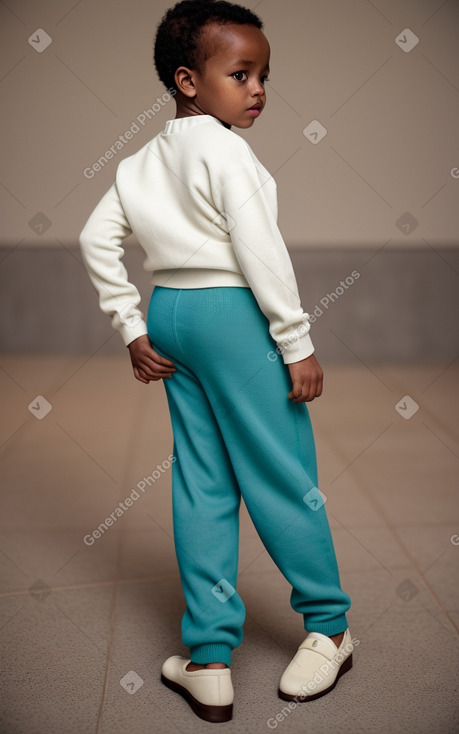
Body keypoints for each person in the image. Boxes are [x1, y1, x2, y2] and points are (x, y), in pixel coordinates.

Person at [79, 0, 354, 724]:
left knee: (201, 482)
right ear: (187, 80)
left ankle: (206, 659)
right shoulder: (227, 151)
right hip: (232, 319)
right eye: (240, 73)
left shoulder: (140, 161)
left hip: (170, 314)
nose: (258, 88)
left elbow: (93, 239)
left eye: (264, 75)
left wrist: (132, 325)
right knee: (278, 472)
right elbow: (260, 251)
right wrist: (294, 340)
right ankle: (330, 628)